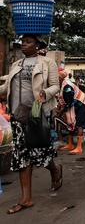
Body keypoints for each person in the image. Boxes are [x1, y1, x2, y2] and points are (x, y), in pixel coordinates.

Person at [0, 34, 62, 214]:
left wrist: (44, 94)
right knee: (22, 157)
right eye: (23, 41)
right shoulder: (16, 65)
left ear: (37, 45)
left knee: (40, 154)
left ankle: (54, 168)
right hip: (18, 116)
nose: (24, 44)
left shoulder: (47, 63)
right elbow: (7, 89)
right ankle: (26, 199)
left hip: (37, 115)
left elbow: (55, 86)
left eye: (28, 42)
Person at [58, 71, 85, 154]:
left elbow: (69, 102)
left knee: (78, 124)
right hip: (76, 105)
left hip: (83, 104)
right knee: (70, 123)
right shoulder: (62, 85)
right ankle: (70, 144)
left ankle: (79, 147)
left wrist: (61, 112)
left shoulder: (67, 87)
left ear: (61, 78)